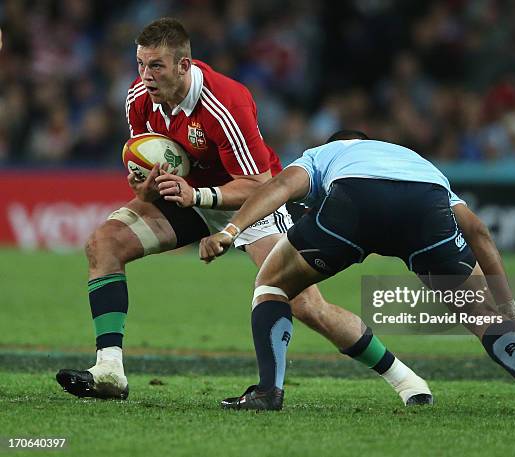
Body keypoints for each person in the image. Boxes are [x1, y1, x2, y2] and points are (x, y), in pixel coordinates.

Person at [56, 18, 432, 406]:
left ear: (184, 65)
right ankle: (110, 370)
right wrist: (146, 188)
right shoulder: (137, 99)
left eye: (156, 66)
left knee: (306, 304)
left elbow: (260, 183)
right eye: (140, 64)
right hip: (189, 197)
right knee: (105, 243)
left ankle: (406, 380)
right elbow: (139, 175)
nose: (145, 76)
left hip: (249, 202)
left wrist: (200, 196)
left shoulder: (225, 102)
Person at [200, 130, 515, 416]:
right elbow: (479, 233)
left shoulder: (324, 154)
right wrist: (509, 310)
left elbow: (281, 186)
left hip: (354, 203)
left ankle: (269, 392)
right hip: (423, 205)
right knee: (479, 313)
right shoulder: (417, 162)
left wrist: (229, 232)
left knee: (271, 285)